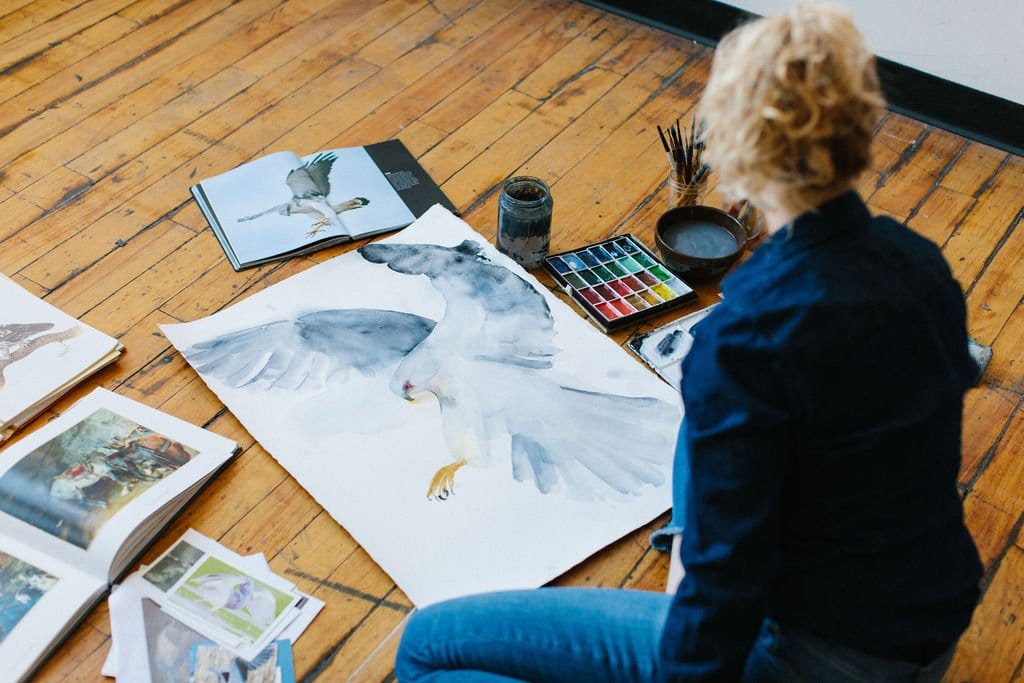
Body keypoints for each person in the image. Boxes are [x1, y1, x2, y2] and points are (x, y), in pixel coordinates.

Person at [394, 3, 982, 681]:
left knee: (429, 647)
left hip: (808, 653)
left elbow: (713, 621)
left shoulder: (744, 340)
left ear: (730, 156)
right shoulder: (921, 263)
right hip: (927, 622)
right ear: (862, 129)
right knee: (700, 418)